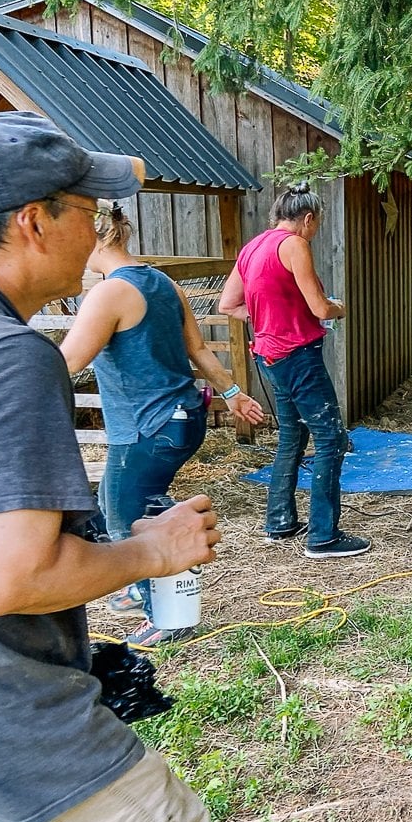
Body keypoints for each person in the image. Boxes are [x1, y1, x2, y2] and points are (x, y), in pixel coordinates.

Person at [0, 111, 218, 822]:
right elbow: (5, 573)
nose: (96, 226)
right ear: (33, 222)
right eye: (84, 207)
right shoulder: (2, 354)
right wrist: (148, 551)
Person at [60, 202, 265, 646]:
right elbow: (200, 350)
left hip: (145, 427)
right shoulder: (164, 283)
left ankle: (167, 618)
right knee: (118, 501)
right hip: (182, 419)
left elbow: (67, 362)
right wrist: (232, 394)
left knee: (129, 522)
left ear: (91, 238)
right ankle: (141, 591)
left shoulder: (109, 293)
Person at [219, 183, 369, 559]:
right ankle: (323, 536)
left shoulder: (253, 247)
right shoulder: (294, 245)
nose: (314, 231)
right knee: (331, 438)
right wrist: (340, 307)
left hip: (268, 355)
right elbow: (319, 307)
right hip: (298, 356)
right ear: (307, 218)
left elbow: (228, 305)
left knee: (291, 435)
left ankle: (280, 520)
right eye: (315, 224)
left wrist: (271, 316)